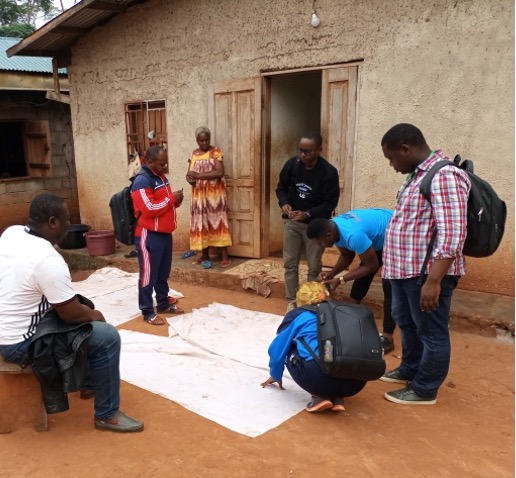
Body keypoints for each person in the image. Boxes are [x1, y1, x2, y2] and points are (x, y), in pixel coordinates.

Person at [0, 193, 143, 432]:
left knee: (82, 305)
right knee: (105, 336)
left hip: (6, 327)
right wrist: (96, 316)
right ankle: (107, 415)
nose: (69, 227)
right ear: (53, 222)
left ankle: (88, 383)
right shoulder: (48, 260)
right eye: (67, 221)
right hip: (20, 343)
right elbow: (71, 316)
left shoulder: (12, 233)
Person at [380, 123, 470, 405]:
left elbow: (453, 231)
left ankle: (425, 388)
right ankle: (409, 369)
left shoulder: (444, 175)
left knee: (431, 331)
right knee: (406, 323)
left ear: (405, 149)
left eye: (392, 158)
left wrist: (434, 280)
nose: (392, 165)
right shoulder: (415, 176)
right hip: (404, 271)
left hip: (425, 275)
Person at [260, 282, 366, 412]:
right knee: (332, 352)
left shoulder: (298, 315)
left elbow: (277, 349)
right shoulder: (340, 312)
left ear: (300, 300)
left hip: (319, 379)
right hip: (355, 382)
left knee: (288, 346)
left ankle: (320, 396)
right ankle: (338, 397)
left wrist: (275, 374)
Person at [306, 209, 396, 354]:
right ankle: (350, 315)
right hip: (379, 237)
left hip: (395, 234)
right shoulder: (334, 228)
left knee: (390, 285)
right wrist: (332, 274)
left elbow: (372, 266)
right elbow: (347, 255)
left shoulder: (353, 235)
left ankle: (388, 337)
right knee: (363, 273)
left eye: (321, 243)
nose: (321, 246)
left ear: (328, 235)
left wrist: (341, 279)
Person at [275, 131, 340, 312]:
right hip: (292, 223)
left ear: (319, 150)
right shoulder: (292, 165)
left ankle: (310, 302)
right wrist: (284, 203)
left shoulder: (328, 172)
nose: (303, 155)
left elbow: (330, 203)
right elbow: (280, 188)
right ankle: (292, 301)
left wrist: (308, 214)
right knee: (290, 264)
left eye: (308, 151)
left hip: (316, 226)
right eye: (301, 150)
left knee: (314, 266)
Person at [131, 145, 184, 326]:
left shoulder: (160, 176)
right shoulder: (142, 181)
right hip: (148, 235)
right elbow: (149, 209)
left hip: (164, 234)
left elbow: (163, 203)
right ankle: (147, 311)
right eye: (162, 164)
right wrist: (172, 200)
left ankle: (163, 303)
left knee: (162, 272)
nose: (165, 167)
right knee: (148, 275)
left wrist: (175, 202)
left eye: (165, 163)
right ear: (150, 162)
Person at [185, 126, 232, 269]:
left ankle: (224, 255)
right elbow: (189, 173)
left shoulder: (215, 151)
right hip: (199, 195)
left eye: (206, 140)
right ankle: (205, 254)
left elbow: (219, 172)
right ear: (197, 141)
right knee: (201, 222)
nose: (204, 143)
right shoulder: (194, 153)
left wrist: (198, 176)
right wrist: (190, 179)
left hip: (215, 195)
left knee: (218, 220)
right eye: (201, 140)